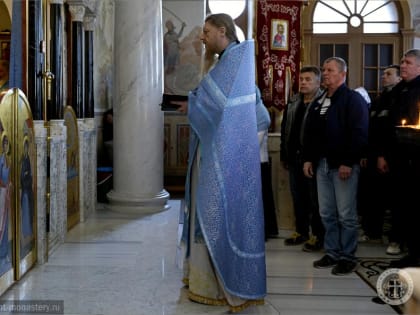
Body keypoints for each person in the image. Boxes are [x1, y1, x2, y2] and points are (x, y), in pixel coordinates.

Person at [175, 13, 266, 313]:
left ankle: (217, 285)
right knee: (207, 213)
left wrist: (193, 102)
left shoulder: (234, 62)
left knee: (213, 211)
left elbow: (211, 106)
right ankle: (203, 280)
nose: (201, 37)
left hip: (220, 156)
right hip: (216, 150)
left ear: (222, 32)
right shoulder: (232, 62)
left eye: (206, 31)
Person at [302, 57, 369, 276]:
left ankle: (347, 256)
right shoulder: (320, 100)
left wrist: (347, 162)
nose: (326, 73)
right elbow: (312, 134)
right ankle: (332, 252)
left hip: (342, 165)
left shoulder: (352, 99)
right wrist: (309, 159)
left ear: (343, 74)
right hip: (322, 164)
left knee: (346, 214)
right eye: (324, 70)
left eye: (330, 70)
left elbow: (359, 133)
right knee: (327, 212)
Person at [358, 65, 402, 255]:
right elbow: (370, 129)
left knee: (392, 199)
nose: (383, 76)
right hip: (372, 155)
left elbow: (389, 131)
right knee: (371, 195)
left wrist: (383, 155)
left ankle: (395, 239)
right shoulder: (379, 99)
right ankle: (372, 232)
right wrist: (366, 154)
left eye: (388, 74)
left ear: (399, 78)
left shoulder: (398, 98)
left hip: (389, 157)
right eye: (383, 73)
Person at [280, 66, 324, 252]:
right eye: (302, 79)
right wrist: (284, 153)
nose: (303, 82)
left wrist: (313, 158)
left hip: (312, 160)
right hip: (293, 158)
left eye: (308, 79)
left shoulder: (322, 102)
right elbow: (285, 130)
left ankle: (318, 235)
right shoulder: (293, 101)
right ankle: (301, 231)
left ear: (318, 82)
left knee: (315, 200)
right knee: (298, 198)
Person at [388, 49, 420, 268]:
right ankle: (411, 251)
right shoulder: (398, 89)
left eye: (407, 62)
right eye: (401, 62)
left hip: (418, 160)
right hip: (400, 158)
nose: (403, 66)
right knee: (404, 207)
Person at [256, 87, 279, 240]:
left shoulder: (261, 114)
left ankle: (264, 231)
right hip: (251, 162)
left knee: (262, 199)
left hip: (259, 162)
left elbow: (254, 143)